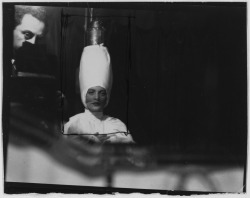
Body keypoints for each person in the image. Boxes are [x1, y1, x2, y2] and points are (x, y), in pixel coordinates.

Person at [64, 45, 134, 144]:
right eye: (91, 92)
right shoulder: (73, 125)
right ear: (84, 94)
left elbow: (130, 153)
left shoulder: (117, 125)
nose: (96, 97)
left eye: (102, 93)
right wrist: (91, 143)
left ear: (107, 97)